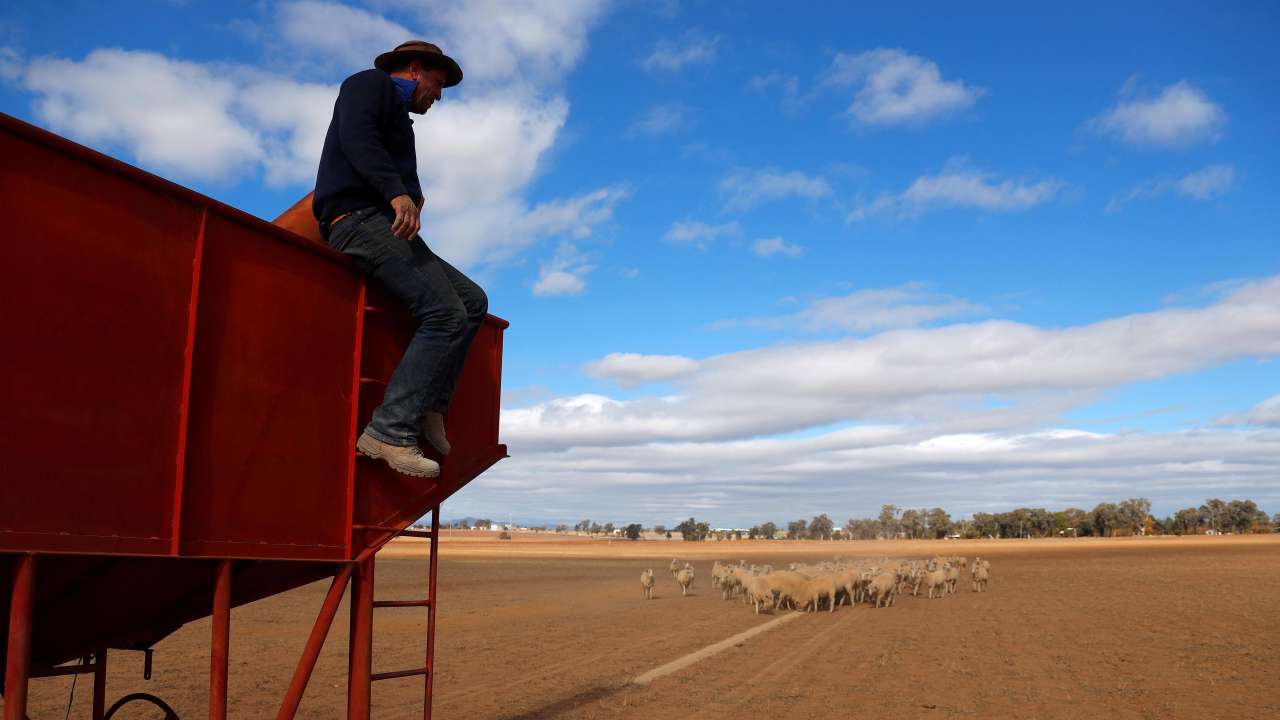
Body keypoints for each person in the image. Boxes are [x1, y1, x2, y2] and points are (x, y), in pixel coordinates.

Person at [313, 41, 487, 478]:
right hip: (354, 217)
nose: (439, 95)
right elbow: (357, 138)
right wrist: (396, 192)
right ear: (413, 70)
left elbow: (404, 178)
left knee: (472, 301)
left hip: (383, 223)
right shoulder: (366, 84)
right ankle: (388, 432)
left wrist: (412, 194)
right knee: (444, 314)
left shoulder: (403, 127)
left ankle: (430, 406)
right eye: (437, 84)